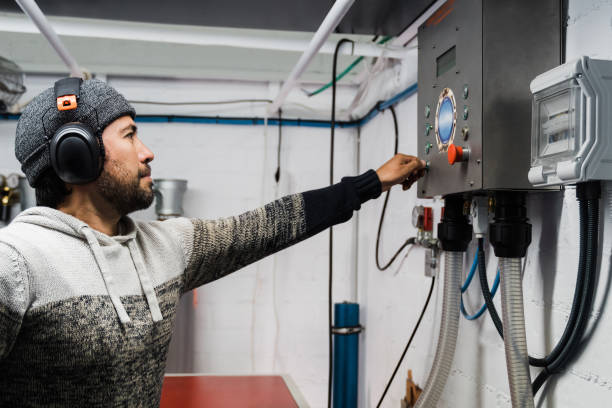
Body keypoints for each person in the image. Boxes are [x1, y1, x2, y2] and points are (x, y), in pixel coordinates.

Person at [0, 78, 426, 406]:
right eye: (129, 135)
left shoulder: (167, 245)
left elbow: (268, 225)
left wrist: (371, 182)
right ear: (77, 156)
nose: (147, 152)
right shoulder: (16, 264)